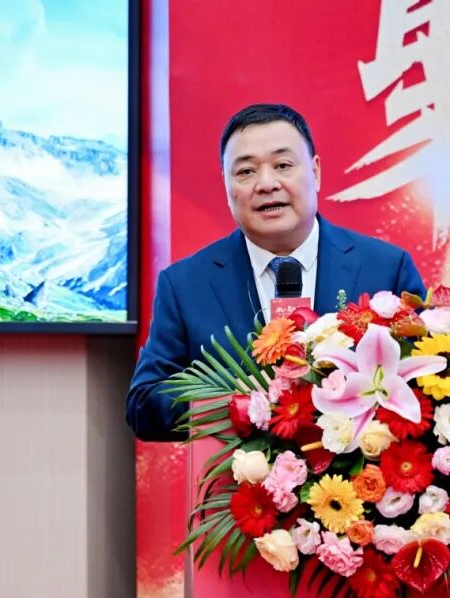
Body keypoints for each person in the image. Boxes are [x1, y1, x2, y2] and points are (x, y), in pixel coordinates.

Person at [126, 103, 427, 441]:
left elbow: (427, 386)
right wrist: (235, 403)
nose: (266, 184)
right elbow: (143, 405)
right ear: (226, 185)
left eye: (283, 165)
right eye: (246, 172)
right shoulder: (185, 285)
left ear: (315, 172)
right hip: (239, 474)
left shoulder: (386, 268)